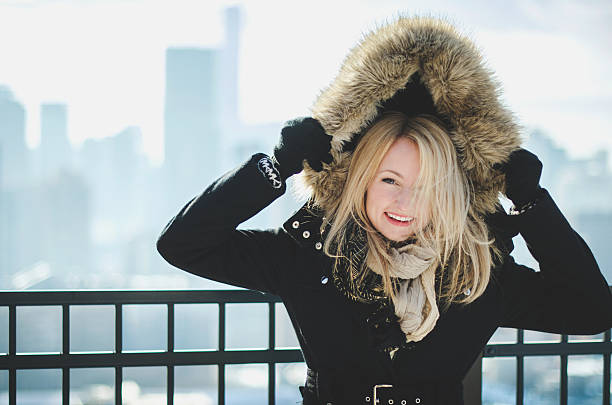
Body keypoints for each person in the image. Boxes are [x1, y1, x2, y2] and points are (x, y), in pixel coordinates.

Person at [157, 17, 612, 405]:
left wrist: (532, 204)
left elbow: (590, 311)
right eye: (389, 180)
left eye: (427, 187)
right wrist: (277, 166)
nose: (405, 202)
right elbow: (183, 243)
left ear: (450, 194)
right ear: (361, 180)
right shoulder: (309, 254)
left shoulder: (478, 271)